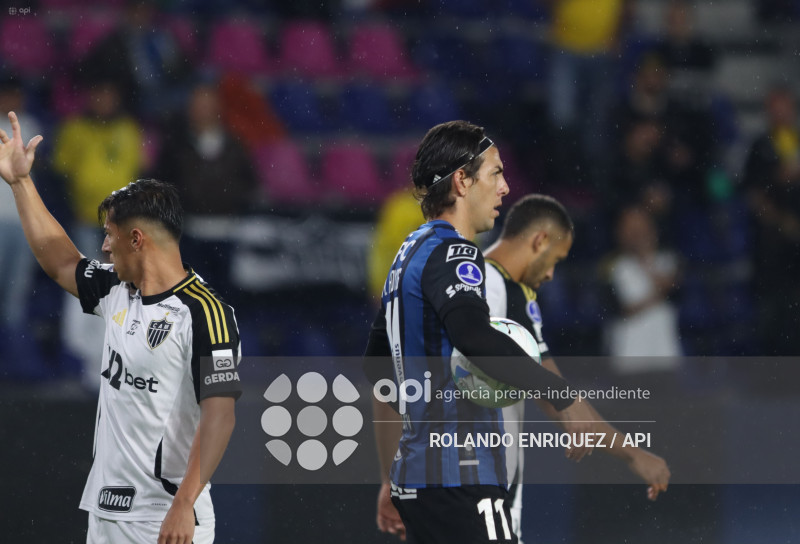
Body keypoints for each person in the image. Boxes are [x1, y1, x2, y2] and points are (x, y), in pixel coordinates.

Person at [0, 112, 241, 544]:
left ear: (137, 239)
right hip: (106, 514)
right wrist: (20, 183)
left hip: (164, 518)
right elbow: (61, 261)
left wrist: (184, 503)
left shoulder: (205, 313)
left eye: (110, 235)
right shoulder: (116, 289)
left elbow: (221, 415)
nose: (104, 247)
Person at [364, 120, 596, 544]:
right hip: (462, 477)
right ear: (462, 181)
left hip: (420, 483)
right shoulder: (453, 252)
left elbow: (379, 369)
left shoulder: (408, 255)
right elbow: (473, 337)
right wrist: (562, 394)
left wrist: (389, 476)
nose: (505, 188)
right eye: (495, 173)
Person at [483, 195, 671, 541]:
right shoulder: (498, 291)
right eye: (554, 259)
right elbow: (552, 393)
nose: (551, 274)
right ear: (538, 241)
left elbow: (556, 391)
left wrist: (631, 454)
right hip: (465, 475)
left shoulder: (498, 290)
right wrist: (632, 455)